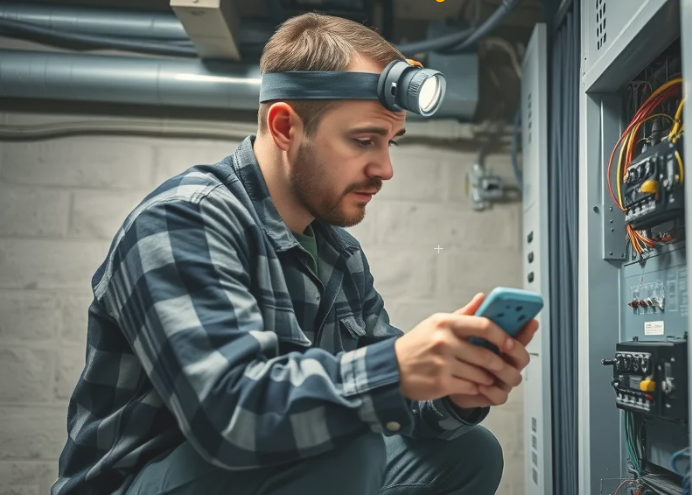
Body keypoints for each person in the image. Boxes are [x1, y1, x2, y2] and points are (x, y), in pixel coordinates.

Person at [52, 12, 538, 495]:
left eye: (391, 142)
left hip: (256, 473)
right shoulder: (182, 220)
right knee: (337, 444)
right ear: (285, 126)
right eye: (364, 140)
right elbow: (231, 417)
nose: (386, 168)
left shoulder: (339, 253)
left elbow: (385, 396)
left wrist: (452, 388)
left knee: (469, 452)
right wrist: (397, 368)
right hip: (141, 481)